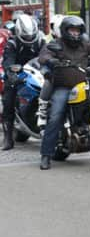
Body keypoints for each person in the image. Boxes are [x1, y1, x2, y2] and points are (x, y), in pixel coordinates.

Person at [37, 16, 90, 170]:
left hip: (83, 84)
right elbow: (44, 55)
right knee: (56, 116)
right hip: (63, 87)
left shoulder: (85, 43)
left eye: (78, 30)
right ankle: (46, 155)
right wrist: (50, 60)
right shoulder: (57, 43)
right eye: (72, 30)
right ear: (65, 30)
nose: (75, 33)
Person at [1, 15, 46, 150]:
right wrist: (11, 72)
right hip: (17, 73)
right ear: (20, 32)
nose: (29, 38)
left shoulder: (41, 42)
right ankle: (8, 137)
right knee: (9, 99)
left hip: (37, 73)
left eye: (31, 35)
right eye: (26, 36)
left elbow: (47, 56)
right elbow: (8, 60)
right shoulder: (12, 44)